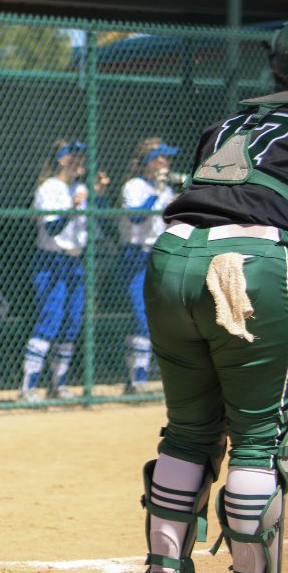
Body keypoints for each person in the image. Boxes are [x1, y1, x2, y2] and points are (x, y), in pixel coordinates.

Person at [138, 12, 288, 573]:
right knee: (259, 437)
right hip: (254, 263)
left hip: (171, 258)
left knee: (188, 431)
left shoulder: (231, 121)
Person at [18, 140, 109, 402]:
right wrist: (71, 208)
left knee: (72, 323)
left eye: (82, 156)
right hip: (50, 260)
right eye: (74, 156)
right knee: (51, 319)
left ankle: (58, 384)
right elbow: (52, 228)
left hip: (75, 261)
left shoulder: (80, 187)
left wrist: (100, 195)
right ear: (61, 159)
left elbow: (100, 222)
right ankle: (28, 387)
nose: (81, 161)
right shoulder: (49, 187)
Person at [117, 137, 179, 394]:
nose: (166, 162)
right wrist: (156, 193)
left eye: (166, 157)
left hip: (161, 254)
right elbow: (136, 216)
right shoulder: (134, 186)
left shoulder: (164, 189)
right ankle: (137, 380)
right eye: (160, 157)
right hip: (135, 257)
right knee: (144, 315)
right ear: (148, 161)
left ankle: (139, 378)